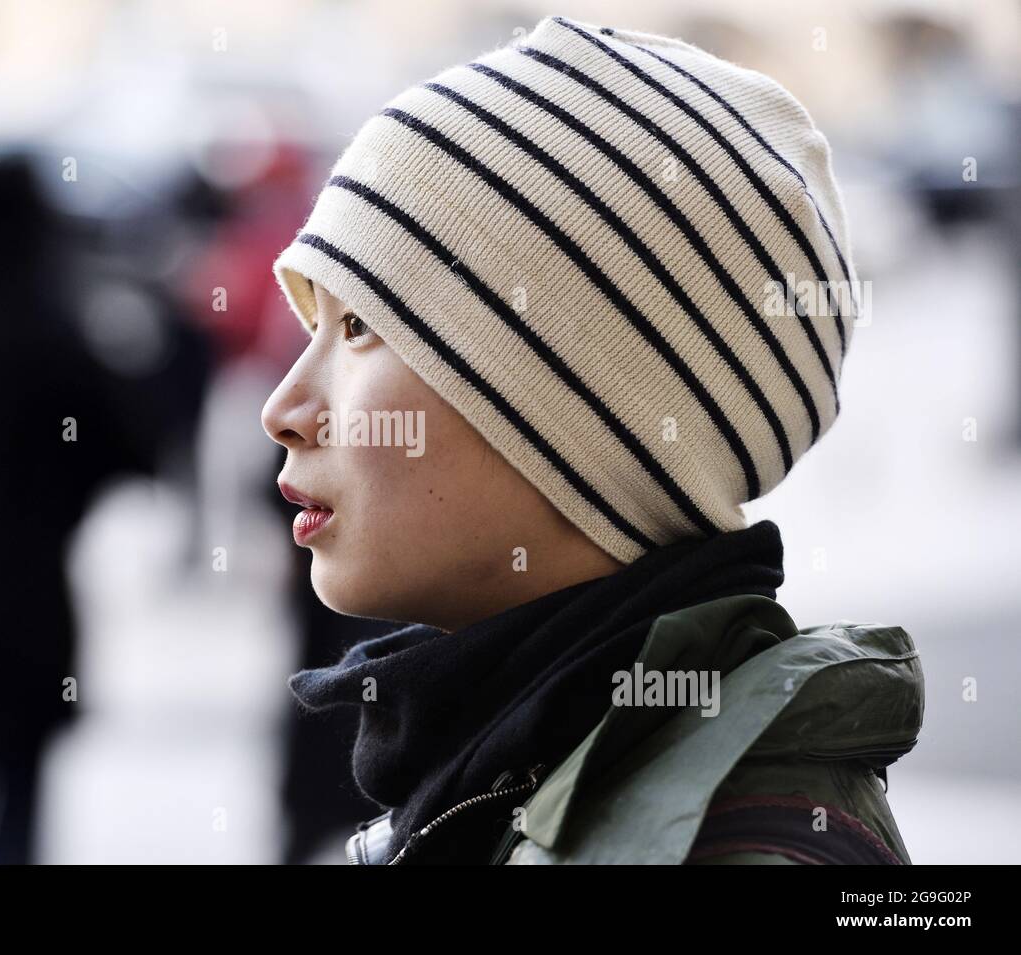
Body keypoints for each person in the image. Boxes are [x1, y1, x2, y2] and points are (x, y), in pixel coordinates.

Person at [260, 16, 924, 865]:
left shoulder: (742, 847)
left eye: (358, 325)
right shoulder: (495, 764)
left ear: (574, 420)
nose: (284, 406)